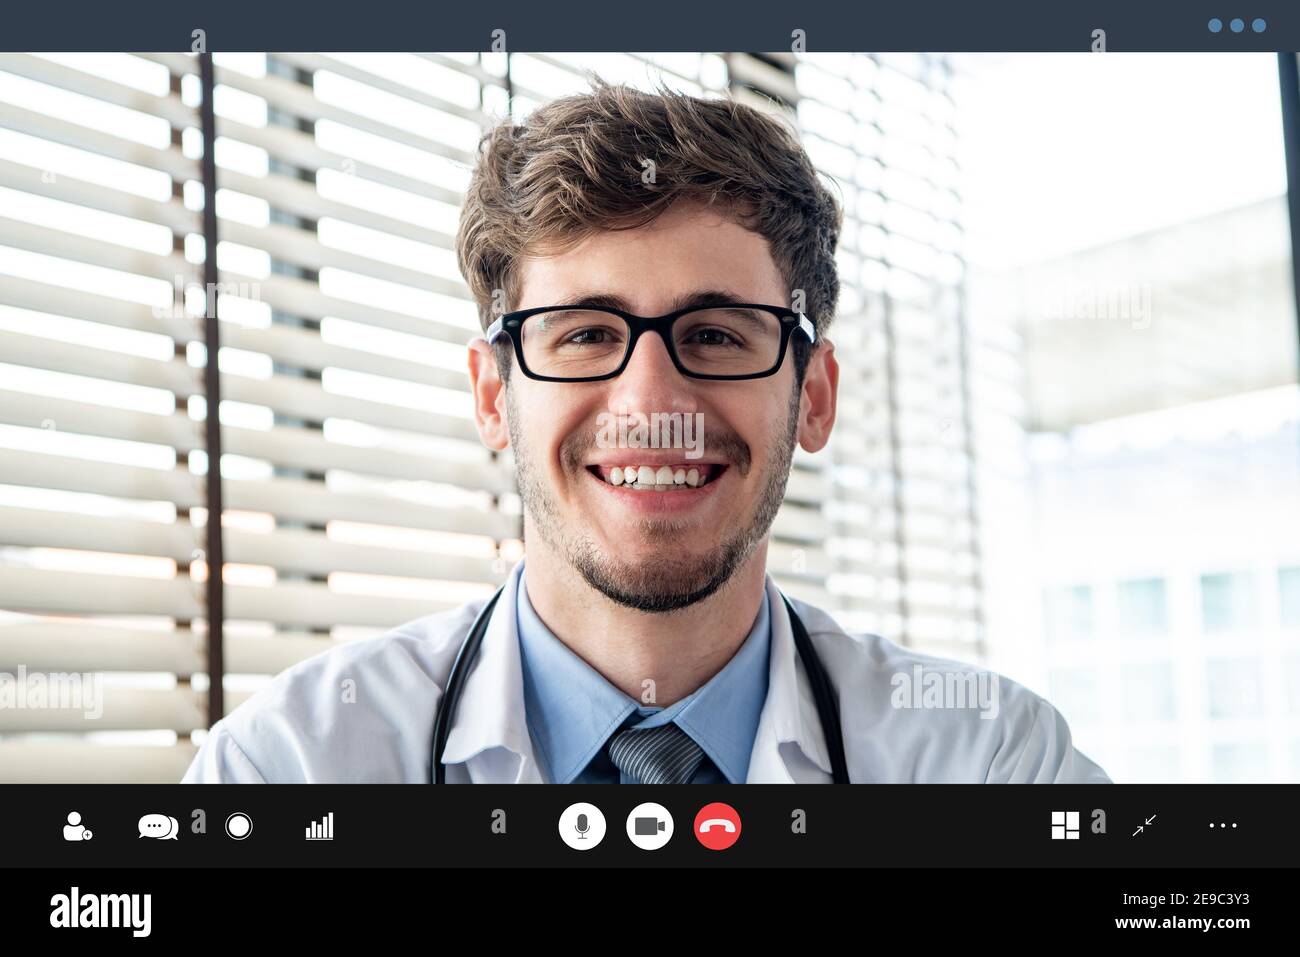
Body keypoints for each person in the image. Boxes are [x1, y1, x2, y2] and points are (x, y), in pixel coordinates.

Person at [182, 79, 1109, 785]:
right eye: (587, 334)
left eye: (714, 334)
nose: (652, 401)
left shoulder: (993, 765)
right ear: (493, 395)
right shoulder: (288, 768)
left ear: (815, 395)